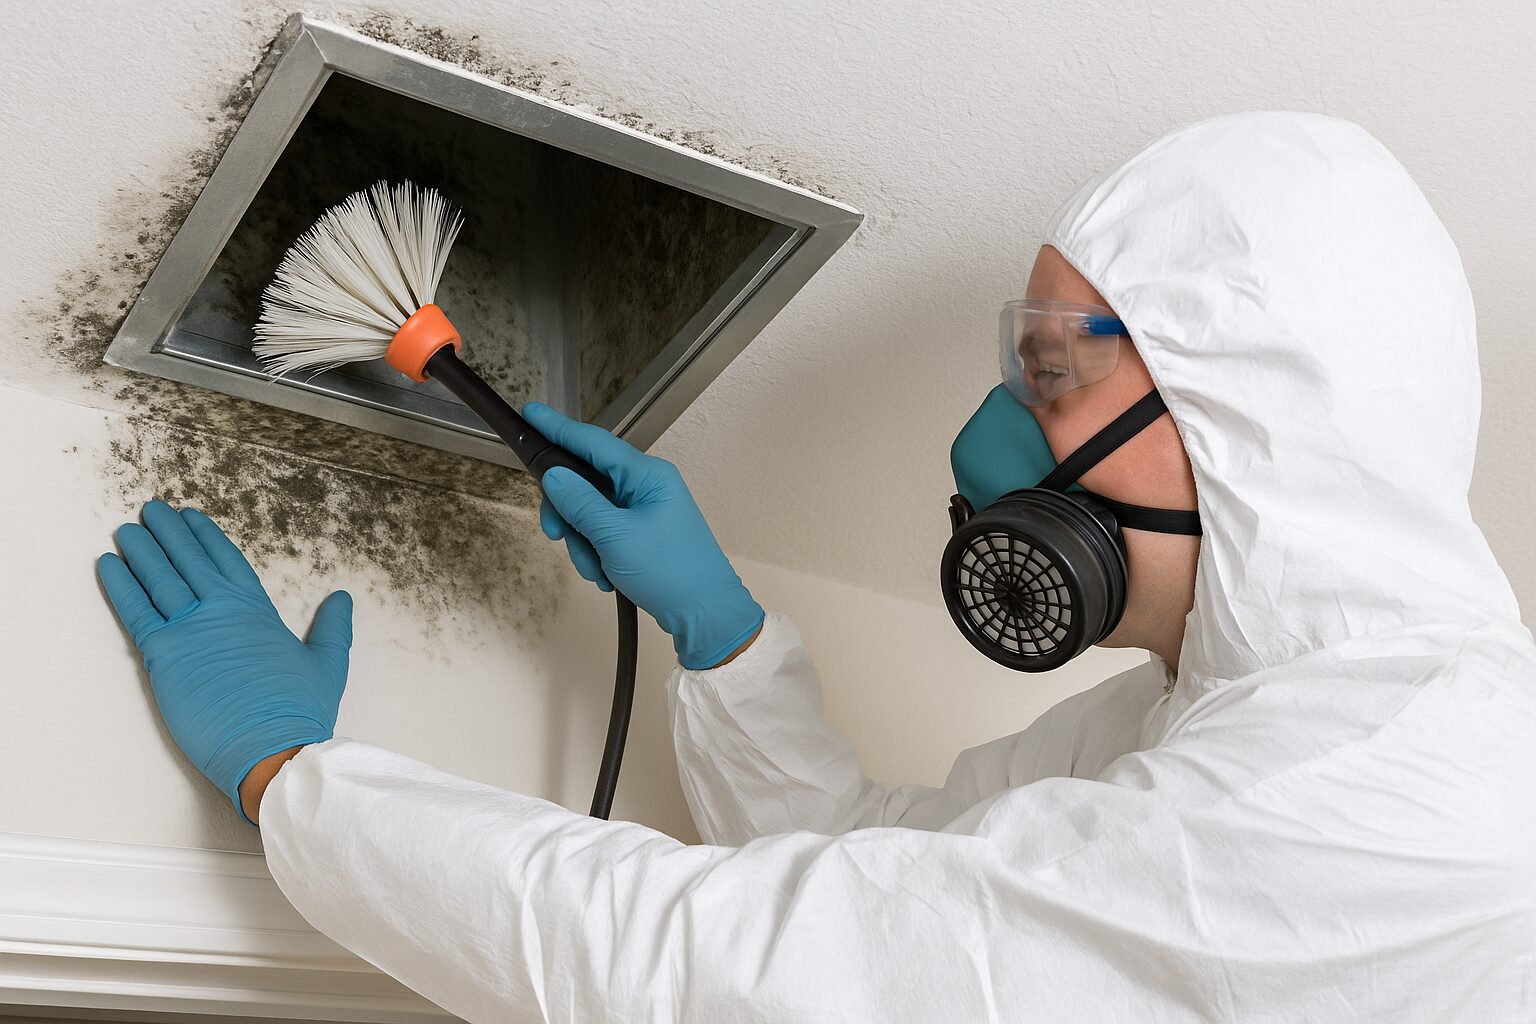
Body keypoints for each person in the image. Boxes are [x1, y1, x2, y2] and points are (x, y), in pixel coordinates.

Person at [97, 111, 1536, 1021]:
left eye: (1053, 379)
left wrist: (300, 783)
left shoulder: (1389, 780)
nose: (992, 442)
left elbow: (741, 975)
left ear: (1252, 430)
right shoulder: (1188, 720)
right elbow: (883, 867)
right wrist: (721, 636)